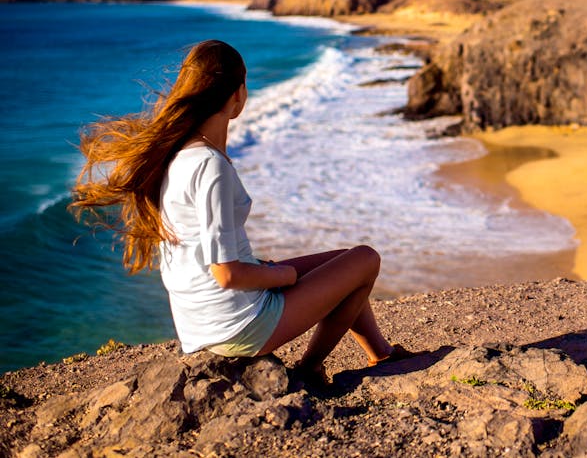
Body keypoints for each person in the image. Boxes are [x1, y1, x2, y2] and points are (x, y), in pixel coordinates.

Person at [72, 40, 417, 382]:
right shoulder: (209, 165)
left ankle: (381, 353)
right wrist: (283, 276)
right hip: (237, 324)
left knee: (342, 262)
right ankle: (309, 369)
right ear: (238, 94)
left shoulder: (179, 154)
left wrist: (266, 270)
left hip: (201, 320)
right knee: (366, 259)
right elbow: (227, 274)